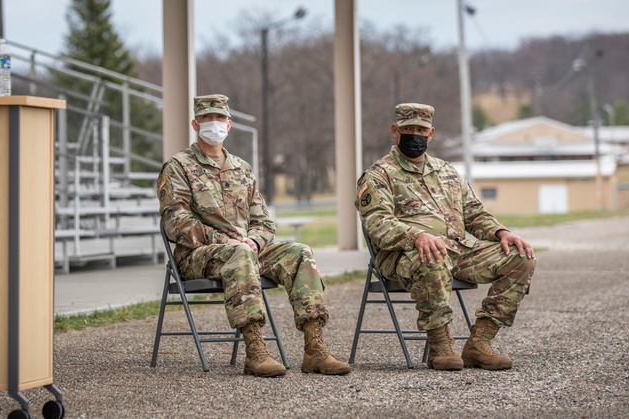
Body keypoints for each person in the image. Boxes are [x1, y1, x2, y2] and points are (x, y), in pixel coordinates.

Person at [157, 94, 350, 378]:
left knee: (299, 252)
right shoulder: (178, 166)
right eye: (207, 119)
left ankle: (315, 348)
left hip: (245, 250)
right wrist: (228, 242)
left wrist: (255, 240)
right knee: (240, 253)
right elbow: (175, 221)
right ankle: (255, 349)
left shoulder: (242, 168)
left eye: (219, 118)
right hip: (196, 255)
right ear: (195, 124)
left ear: (230, 124)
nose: (214, 124)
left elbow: (263, 221)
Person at [355, 103, 536, 371]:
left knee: (521, 258)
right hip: (405, 256)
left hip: (458, 251)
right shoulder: (378, 175)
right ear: (395, 131)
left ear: (431, 134)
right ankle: (440, 346)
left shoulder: (448, 172)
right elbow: (377, 223)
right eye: (408, 129)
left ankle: (479, 343)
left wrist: (502, 232)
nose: (414, 135)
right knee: (432, 256)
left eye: (421, 130)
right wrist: (417, 235)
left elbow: (474, 213)